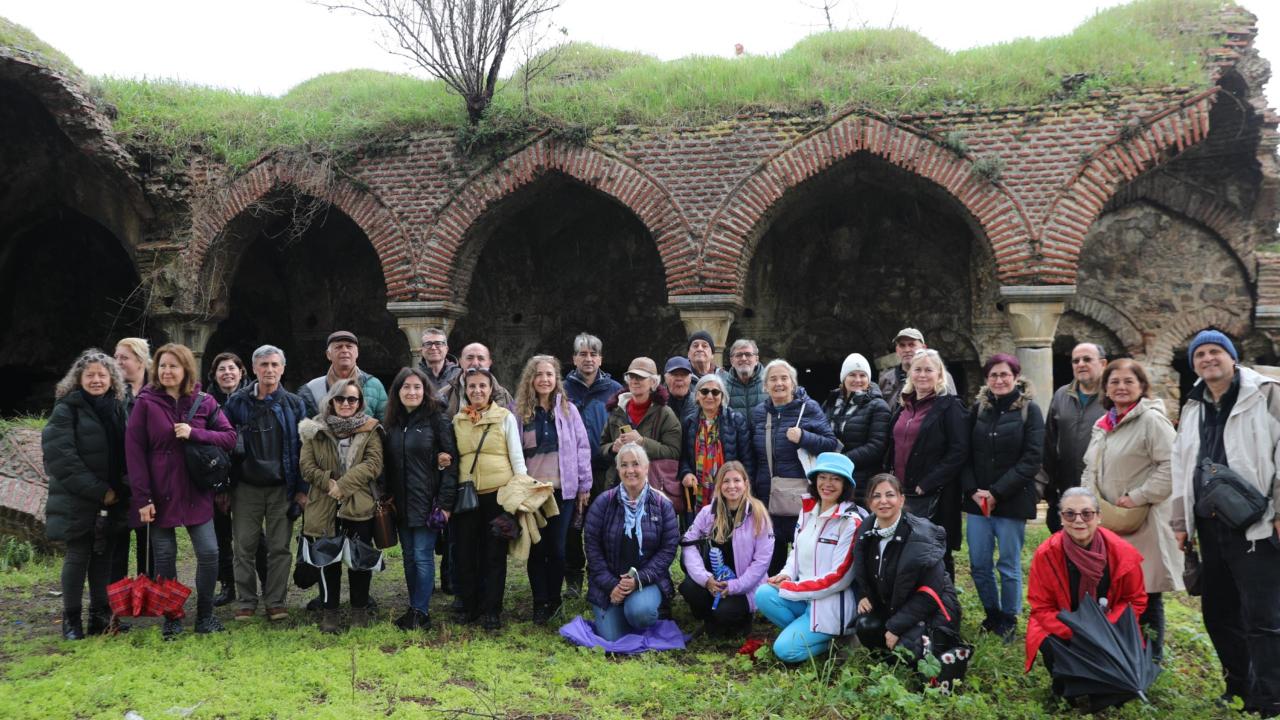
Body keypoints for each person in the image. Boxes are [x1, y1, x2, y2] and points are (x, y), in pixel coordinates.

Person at [1172, 329, 1280, 715]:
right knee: (1218, 614)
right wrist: (1179, 520)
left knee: (1263, 617)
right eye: (1200, 354)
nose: (1208, 359)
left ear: (1232, 357)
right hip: (1209, 525)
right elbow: (1180, 464)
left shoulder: (1266, 393)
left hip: (1257, 524)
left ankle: (1271, 698)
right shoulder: (1193, 405)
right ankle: (1239, 686)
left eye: (1216, 351)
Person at [125, 343, 237, 639]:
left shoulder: (205, 401)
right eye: (162, 366)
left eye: (173, 365)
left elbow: (229, 437)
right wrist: (143, 498)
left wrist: (194, 433)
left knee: (209, 553)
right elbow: (134, 453)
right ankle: (172, 617)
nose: (167, 371)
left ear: (186, 368)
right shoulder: (146, 403)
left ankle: (205, 615)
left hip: (196, 490)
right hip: (160, 492)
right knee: (164, 557)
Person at [1080, 358, 1181, 663]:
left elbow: (1172, 464)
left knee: (1146, 593)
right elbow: (1090, 468)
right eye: (1114, 382)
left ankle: (1151, 662)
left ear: (1141, 386)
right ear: (1106, 388)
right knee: (1115, 592)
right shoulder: (1103, 425)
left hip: (1143, 523)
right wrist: (1084, 504)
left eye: (1128, 381)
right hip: (1109, 522)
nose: (1121, 387)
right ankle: (1123, 656)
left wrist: (1139, 495)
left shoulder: (1151, 420)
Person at [1026, 487, 1148, 710]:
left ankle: (1103, 692)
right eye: (1070, 514)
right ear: (1061, 518)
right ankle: (1065, 687)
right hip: (1065, 626)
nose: (1078, 520)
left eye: (1087, 513)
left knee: (1117, 695)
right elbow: (1041, 607)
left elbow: (1135, 600)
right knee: (1051, 644)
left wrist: (1104, 629)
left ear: (1099, 517)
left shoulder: (1122, 552)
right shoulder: (1047, 554)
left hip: (1111, 626)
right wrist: (1078, 631)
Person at [43, 349, 129, 639]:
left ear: (112, 379)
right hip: (77, 498)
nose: (96, 379)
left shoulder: (117, 407)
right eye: (90, 375)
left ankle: (99, 617)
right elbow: (61, 458)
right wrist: (98, 491)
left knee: (103, 557)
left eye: (102, 375)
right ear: (78, 379)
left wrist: (122, 488)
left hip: (112, 497)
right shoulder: (67, 409)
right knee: (78, 556)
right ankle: (71, 620)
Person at [222, 345, 308, 622]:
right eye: (264, 365)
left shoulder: (295, 404)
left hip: (282, 486)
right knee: (244, 546)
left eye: (274, 365)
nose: (269, 370)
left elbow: (305, 450)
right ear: (254, 368)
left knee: (279, 547)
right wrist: (224, 487)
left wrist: (303, 490)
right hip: (245, 486)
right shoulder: (236, 403)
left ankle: (276, 600)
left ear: (282, 368)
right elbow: (223, 446)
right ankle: (246, 600)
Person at [962, 353, 1044, 641]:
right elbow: (965, 453)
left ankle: (1009, 617)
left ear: (1015, 377)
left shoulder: (1029, 410)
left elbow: (1032, 458)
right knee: (979, 563)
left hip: (1011, 501)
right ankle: (992, 614)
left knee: (1008, 564)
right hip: (977, 502)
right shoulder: (978, 410)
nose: (999, 380)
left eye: (1004, 374)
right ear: (987, 379)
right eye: (993, 375)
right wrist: (974, 490)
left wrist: (997, 492)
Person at [754, 452, 861, 663]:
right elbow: (796, 551)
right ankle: (804, 633)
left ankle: (836, 640)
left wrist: (791, 588)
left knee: (785, 651)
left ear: (846, 485)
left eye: (835, 479)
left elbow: (840, 578)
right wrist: (785, 574)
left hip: (830, 604)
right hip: (805, 598)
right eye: (823, 477)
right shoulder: (808, 511)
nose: (827, 484)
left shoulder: (850, 522)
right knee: (763, 594)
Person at [299, 379, 384, 634]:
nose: (346, 404)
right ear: (331, 401)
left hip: (358, 505)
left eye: (352, 399)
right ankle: (330, 613)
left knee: (359, 561)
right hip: (323, 506)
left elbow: (373, 465)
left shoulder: (370, 429)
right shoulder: (315, 429)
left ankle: (359, 610)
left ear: (360, 403)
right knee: (327, 561)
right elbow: (306, 466)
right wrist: (328, 483)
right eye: (340, 399)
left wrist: (343, 485)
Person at [515, 355, 593, 625]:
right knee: (537, 548)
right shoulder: (519, 412)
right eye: (539, 374)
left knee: (557, 549)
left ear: (556, 378)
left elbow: (583, 448)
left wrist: (585, 485)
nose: (544, 379)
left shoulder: (568, 410)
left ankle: (555, 600)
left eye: (549, 374)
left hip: (563, 491)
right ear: (531, 379)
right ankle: (540, 602)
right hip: (533, 492)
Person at [852, 473, 961, 660]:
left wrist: (896, 626)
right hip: (895, 604)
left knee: (914, 655)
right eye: (876, 496)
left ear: (901, 499)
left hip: (930, 611)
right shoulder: (867, 531)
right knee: (865, 624)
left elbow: (930, 593)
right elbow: (864, 571)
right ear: (869, 503)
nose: (883, 501)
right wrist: (864, 594)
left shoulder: (922, 537)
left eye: (890, 495)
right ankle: (885, 661)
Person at [383, 367, 457, 631]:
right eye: (406, 387)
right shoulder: (392, 422)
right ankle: (414, 606)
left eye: (417, 387)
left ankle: (420, 611)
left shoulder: (437, 419)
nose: (412, 392)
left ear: (425, 390)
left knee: (423, 556)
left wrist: (446, 504)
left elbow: (451, 463)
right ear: (397, 392)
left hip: (429, 502)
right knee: (408, 557)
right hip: (401, 502)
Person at [452, 367, 527, 630]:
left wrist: (520, 493)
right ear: (465, 390)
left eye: (482, 386)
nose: (477, 391)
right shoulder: (458, 420)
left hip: (498, 496)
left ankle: (492, 608)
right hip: (466, 496)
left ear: (491, 389)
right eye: (472, 386)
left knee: (494, 554)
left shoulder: (504, 417)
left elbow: (517, 457)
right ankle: (470, 604)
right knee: (465, 552)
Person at [883, 349, 967, 580]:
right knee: (904, 550)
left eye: (929, 370)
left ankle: (942, 606)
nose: (922, 375)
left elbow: (959, 451)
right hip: (901, 492)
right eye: (917, 369)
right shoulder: (904, 406)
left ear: (939, 375)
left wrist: (928, 482)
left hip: (933, 494)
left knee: (934, 552)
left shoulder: (950, 406)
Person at [583, 443, 679, 641]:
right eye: (624, 465)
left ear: (646, 467)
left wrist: (638, 580)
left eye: (636, 464)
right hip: (609, 581)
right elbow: (592, 550)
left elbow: (668, 551)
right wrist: (612, 586)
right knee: (612, 636)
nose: (630, 470)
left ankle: (648, 607)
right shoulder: (603, 502)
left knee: (639, 613)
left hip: (647, 581)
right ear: (618, 470)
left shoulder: (662, 505)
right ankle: (625, 610)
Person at [752, 359, 839, 575]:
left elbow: (830, 443)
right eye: (773, 379)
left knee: (802, 551)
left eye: (784, 378)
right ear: (765, 386)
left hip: (800, 495)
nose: (779, 383)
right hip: (766, 493)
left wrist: (803, 437)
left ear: (793, 383)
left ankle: (801, 594)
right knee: (771, 550)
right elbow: (752, 453)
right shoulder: (759, 413)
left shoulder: (808, 408)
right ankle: (773, 597)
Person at [678, 462, 773, 636]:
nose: (731, 486)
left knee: (725, 614)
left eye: (737, 480)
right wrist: (705, 579)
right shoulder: (708, 512)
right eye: (726, 481)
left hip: (743, 585)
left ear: (745, 483)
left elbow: (762, 561)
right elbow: (688, 544)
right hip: (714, 581)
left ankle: (739, 618)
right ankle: (709, 618)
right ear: (719, 485)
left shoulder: (758, 514)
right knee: (689, 587)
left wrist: (734, 586)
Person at [563, 332, 622, 597]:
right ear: (574, 358)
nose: (588, 359)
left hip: (605, 469)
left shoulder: (615, 391)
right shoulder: (562, 390)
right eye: (583, 354)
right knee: (571, 528)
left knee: (602, 527)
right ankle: (573, 578)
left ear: (601, 358)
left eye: (593, 354)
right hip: (571, 470)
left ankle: (600, 578)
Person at [205, 351, 265, 608]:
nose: (227, 373)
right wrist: (220, 484)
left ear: (242, 372)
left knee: (253, 534)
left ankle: (268, 580)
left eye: (232, 368)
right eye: (222, 369)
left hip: (247, 475)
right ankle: (227, 583)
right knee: (220, 534)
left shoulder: (253, 399)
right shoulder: (205, 403)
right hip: (216, 477)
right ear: (214, 375)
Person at [1043, 342, 1108, 533]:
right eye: (1076, 360)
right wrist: (1050, 491)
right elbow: (1048, 443)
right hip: (1066, 488)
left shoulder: (1113, 397)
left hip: (1102, 491)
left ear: (1103, 364)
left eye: (1087, 359)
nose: (1080, 364)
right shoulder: (1061, 395)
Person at [600, 357, 683, 495]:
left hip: (651, 488)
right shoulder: (617, 410)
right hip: (617, 486)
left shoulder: (665, 414)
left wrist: (642, 442)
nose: (635, 381)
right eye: (631, 376)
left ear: (653, 382)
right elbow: (602, 445)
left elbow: (674, 452)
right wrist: (612, 448)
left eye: (641, 377)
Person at [679, 373, 754, 518]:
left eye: (715, 392)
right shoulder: (689, 423)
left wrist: (747, 491)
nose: (709, 396)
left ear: (722, 396)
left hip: (731, 492)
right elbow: (684, 459)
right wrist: (686, 473)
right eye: (704, 391)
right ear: (697, 396)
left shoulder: (736, 420)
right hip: (699, 495)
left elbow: (748, 461)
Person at [821, 352, 891, 504]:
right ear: (844, 377)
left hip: (861, 482)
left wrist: (841, 461)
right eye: (852, 374)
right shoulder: (831, 402)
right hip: (832, 478)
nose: (857, 380)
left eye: (862, 375)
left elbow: (877, 446)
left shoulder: (878, 406)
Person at [111, 337, 152, 585]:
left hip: (151, 479)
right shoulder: (111, 392)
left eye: (123, 357)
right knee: (118, 542)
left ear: (139, 360)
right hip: (120, 478)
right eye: (116, 357)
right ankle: (120, 599)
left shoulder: (157, 391)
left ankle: (150, 594)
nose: (117, 362)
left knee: (151, 543)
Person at [299, 331, 388, 420]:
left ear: (357, 353)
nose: (345, 350)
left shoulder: (374, 385)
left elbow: (385, 424)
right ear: (328, 355)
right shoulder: (312, 389)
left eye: (349, 347)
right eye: (338, 347)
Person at [878, 328, 956, 410]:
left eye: (911, 345)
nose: (907, 350)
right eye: (902, 345)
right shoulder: (886, 378)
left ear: (924, 348)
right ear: (897, 350)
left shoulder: (942, 377)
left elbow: (952, 409)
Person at [444, 342, 514, 417]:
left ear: (489, 363)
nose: (475, 363)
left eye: (481, 358)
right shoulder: (445, 394)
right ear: (461, 362)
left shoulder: (504, 395)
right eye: (470, 358)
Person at [718, 339, 765, 416]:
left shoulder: (769, 383)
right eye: (739, 355)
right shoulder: (723, 387)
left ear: (756, 359)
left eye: (748, 354)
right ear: (732, 361)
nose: (743, 358)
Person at [417, 327, 461, 399]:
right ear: (421, 350)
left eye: (438, 343)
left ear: (446, 349)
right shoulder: (413, 376)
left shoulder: (459, 375)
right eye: (428, 344)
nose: (433, 347)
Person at [663, 356, 696, 422]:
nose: (679, 379)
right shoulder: (656, 405)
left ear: (690, 379)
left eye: (684, 375)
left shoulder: (699, 404)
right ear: (665, 378)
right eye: (675, 374)